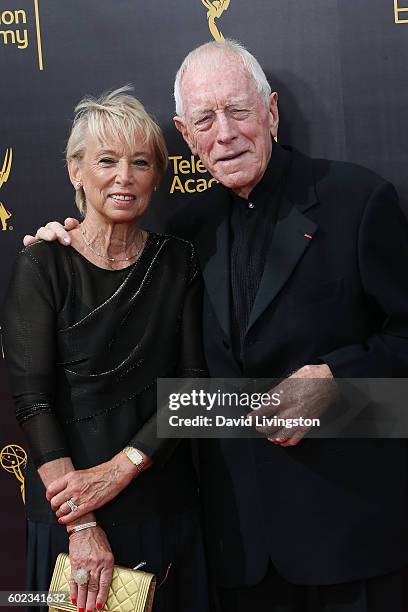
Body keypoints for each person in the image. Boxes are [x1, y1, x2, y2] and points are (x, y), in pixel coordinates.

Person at [23, 40, 408, 612]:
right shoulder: (185, 233)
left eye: (238, 111)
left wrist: (337, 379)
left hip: (348, 540)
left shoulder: (357, 199)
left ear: (271, 112)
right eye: (204, 119)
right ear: (185, 133)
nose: (224, 133)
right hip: (236, 553)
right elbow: (161, 369)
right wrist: (65, 246)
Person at [4, 86, 211, 612]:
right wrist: (82, 522)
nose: (124, 176)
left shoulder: (178, 261)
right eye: (106, 160)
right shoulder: (43, 264)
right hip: (71, 521)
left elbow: (190, 385)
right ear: (76, 170)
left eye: (140, 162)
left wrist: (123, 468)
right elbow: (33, 400)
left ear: (157, 177)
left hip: (162, 504)